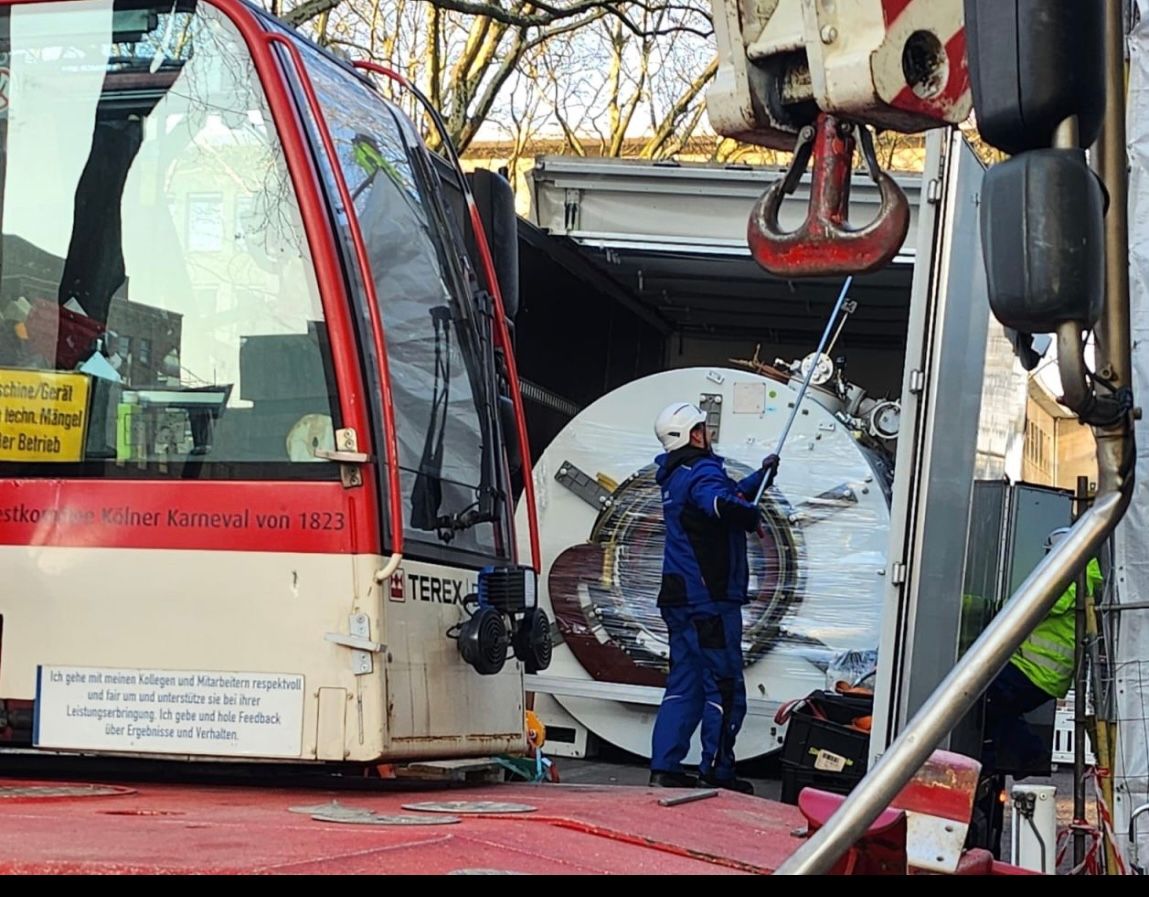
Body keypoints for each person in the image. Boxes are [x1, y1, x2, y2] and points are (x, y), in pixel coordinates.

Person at [648, 401, 780, 795]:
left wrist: (761, 478)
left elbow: (726, 495)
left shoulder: (674, 476)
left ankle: (664, 767)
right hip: (709, 601)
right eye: (703, 428)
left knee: (684, 683)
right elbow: (721, 504)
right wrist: (748, 516)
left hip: (679, 598)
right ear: (694, 434)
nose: (708, 434)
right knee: (723, 686)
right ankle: (717, 770)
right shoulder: (703, 471)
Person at [974, 526, 1104, 855]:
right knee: (989, 708)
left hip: (1036, 671)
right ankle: (994, 757)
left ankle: (1024, 752)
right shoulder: (1083, 571)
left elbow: (1037, 604)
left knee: (979, 700)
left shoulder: (1073, 573)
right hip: (1037, 672)